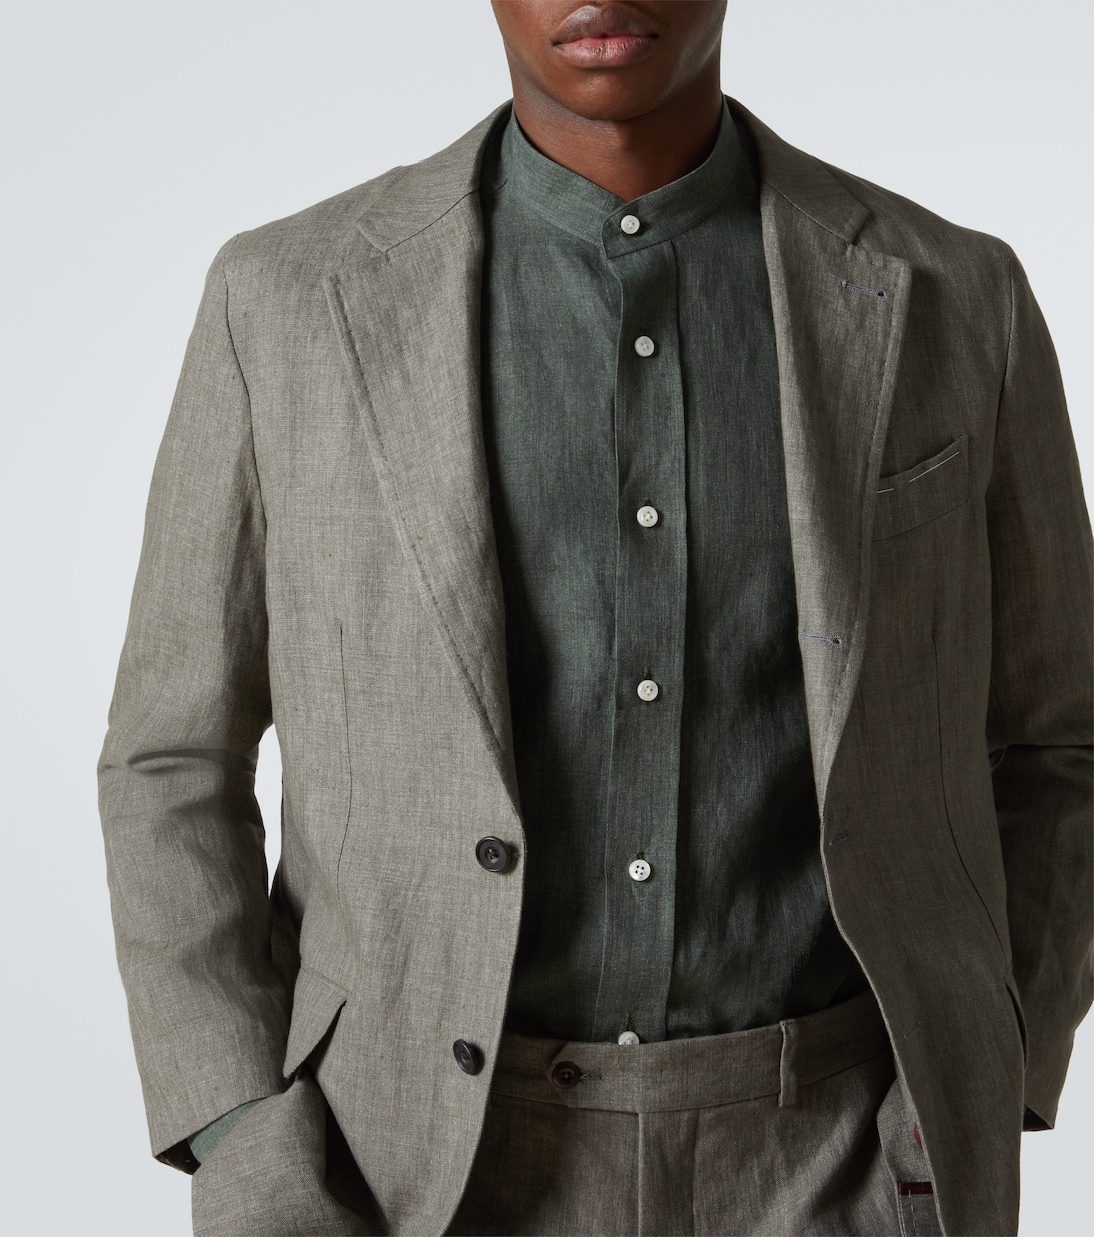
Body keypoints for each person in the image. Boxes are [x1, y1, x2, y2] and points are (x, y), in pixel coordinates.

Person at [98, 2, 1092, 1234]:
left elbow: (1056, 738)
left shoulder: (955, 294)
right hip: (398, 1173)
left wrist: (990, 1064)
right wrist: (241, 1130)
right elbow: (170, 755)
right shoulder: (286, 299)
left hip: (843, 1165)